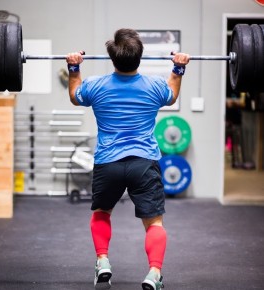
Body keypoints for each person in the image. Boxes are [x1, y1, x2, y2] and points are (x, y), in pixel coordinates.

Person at [66, 28, 190, 290]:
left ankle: (103, 262)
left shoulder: (96, 86)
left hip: (108, 163)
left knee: (102, 212)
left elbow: (75, 96)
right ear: (139, 57)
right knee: (154, 222)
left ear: (113, 58)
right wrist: (178, 69)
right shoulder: (155, 86)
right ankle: (154, 274)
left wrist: (74, 67)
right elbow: (172, 94)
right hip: (144, 163)